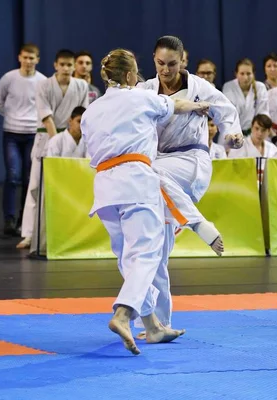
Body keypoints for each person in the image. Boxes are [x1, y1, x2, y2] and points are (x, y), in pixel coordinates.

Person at [81, 48, 206, 354]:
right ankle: (123, 314)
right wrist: (198, 105)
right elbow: (174, 104)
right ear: (128, 76)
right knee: (147, 255)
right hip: (135, 178)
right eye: (135, 73)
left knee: (128, 259)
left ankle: (151, 327)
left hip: (104, 187)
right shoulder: (140, 97)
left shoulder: (90, 111)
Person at [135, 36, 243, 337]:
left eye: (172, 64)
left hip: (191, 162)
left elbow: (227, 113)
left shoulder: (200, 87)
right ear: (153, 59)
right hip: (163, 175)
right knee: (154, 248)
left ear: (184, 59)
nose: (166, 70)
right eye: (160, 64)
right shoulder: (145, 90)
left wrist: (233, 134)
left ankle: (198, 223)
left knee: (146, 172)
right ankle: (159, 325)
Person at [19, 49, 89, 253]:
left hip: (74, 138)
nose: (66, 69)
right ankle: (30, 234)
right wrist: (57, 140)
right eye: (63, 65)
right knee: (35, 187)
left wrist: (73, 136)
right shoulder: (43, 85)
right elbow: (46, 116)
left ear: (74, 66)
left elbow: (82, 115)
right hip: (48, 139)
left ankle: (68, 230)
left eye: (70, 65)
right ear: (55, 65)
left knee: (71, 189)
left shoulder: (82, 86)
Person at [0, 44, 46, 237]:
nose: (28, 61)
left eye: (32, 58)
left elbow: (46, 105)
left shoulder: (42, 81)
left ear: (38, 60)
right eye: (25, 57)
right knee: (13, 176)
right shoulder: (9, 78)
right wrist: (10, 114)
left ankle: (25, 219)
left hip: (33, 134)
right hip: (12, 133)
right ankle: (9, 219)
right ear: (19, 57)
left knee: (29, 178)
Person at [222, 58, 269, 136]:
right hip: (231, 134)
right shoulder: (228, 87)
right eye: (242, 73)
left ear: (253, 74)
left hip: (254, 134)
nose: (245, 77)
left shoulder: (260, 87)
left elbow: (263, 113)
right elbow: (227, 113)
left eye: (248, 73)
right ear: (236, 74)